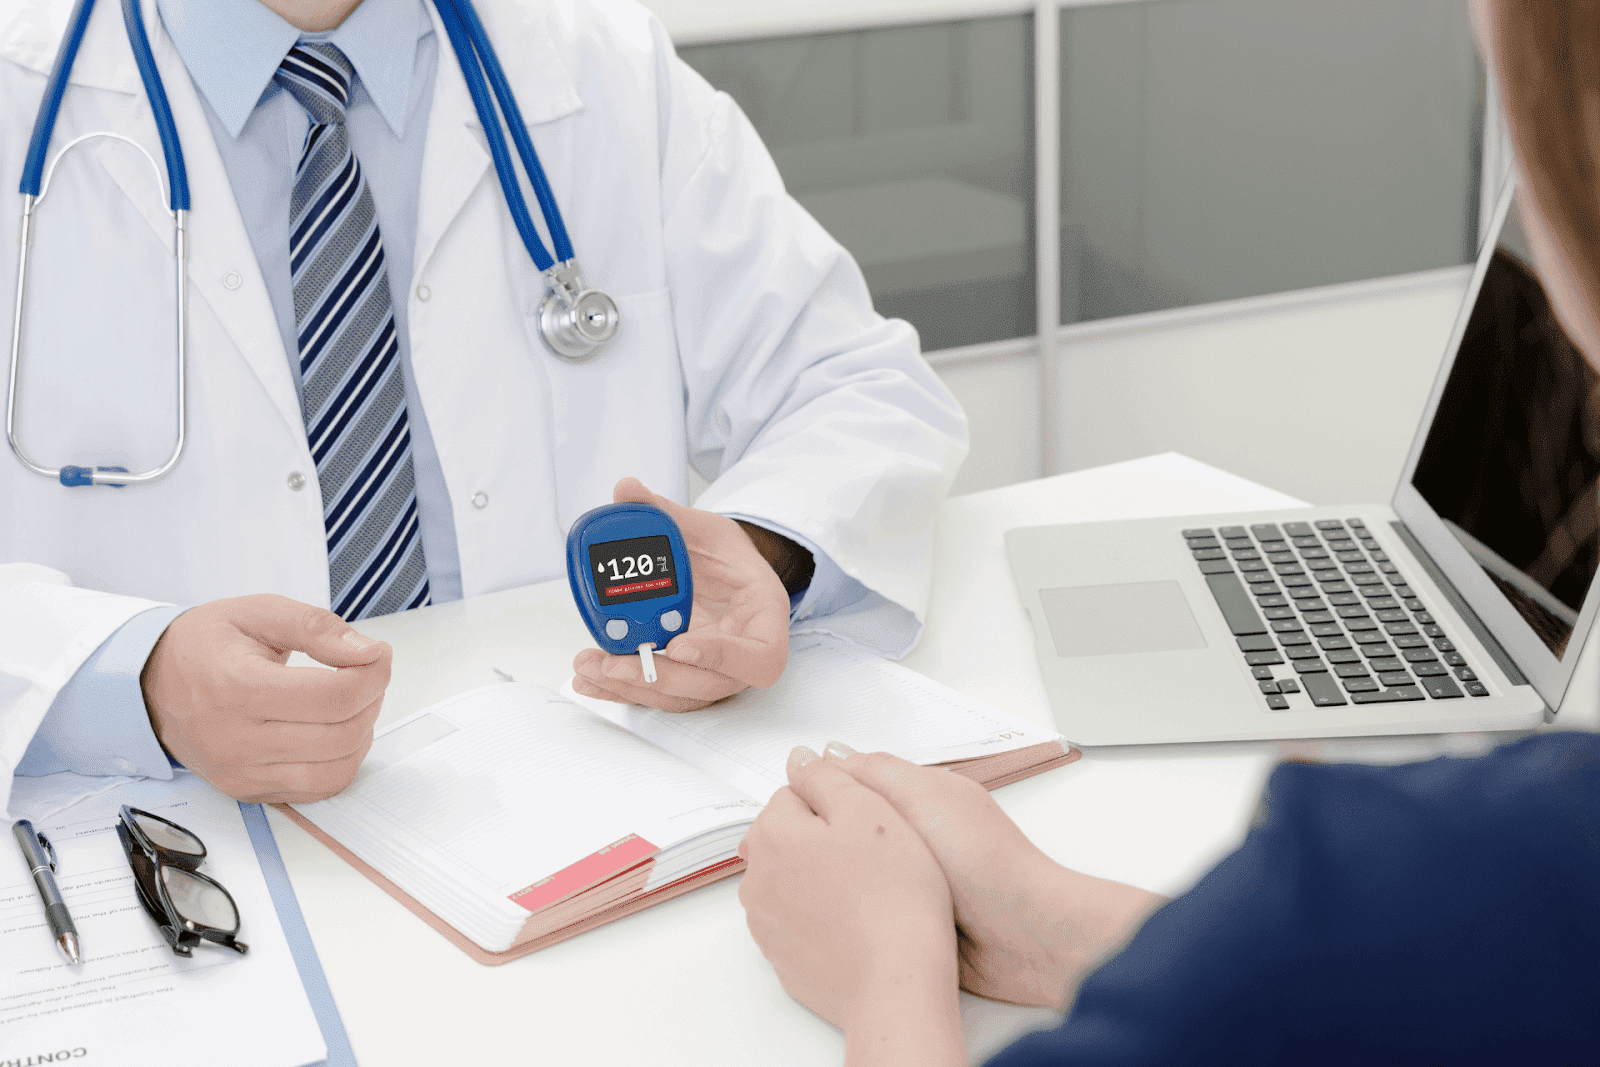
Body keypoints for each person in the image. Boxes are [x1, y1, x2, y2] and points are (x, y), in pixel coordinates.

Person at [735, 3, 1600, 1063]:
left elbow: (1398, 950)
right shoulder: (1477, 896)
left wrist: (881, 971)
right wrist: (1052, 914)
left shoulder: (1454, 872)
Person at [0, 0, 966, 806]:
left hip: (582, 805)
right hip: (184, 846)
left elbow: (857, 388)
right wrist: (134, 677)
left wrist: (759, 553)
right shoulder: (22, 87)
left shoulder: (598, 64)